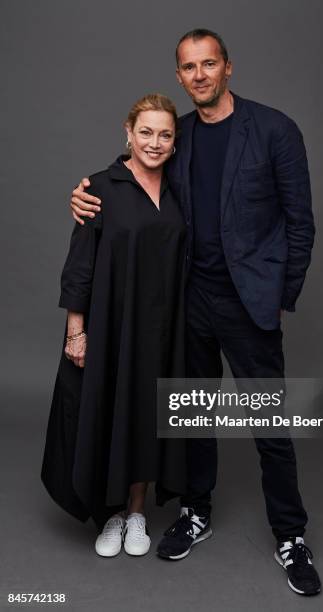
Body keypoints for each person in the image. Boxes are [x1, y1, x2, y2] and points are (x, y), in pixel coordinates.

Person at [69, 30, 322, 595]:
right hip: (188, 300)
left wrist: (281, 296)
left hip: (249, 302)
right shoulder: (176, 134)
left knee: (268, 423)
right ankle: (196, 510)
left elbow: (300, 222)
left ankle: (290, 534)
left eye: (210, 63)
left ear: (228, 67)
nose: (200, 74)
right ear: (180, 76)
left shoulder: (274, 129)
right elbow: (140, 164)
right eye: (189, 67)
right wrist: (89, 190)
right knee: (194, 415)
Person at [41, 93, 188, 558]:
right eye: (146, 131)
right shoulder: (100, 188)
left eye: (165, 134)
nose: (154, 142)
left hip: (164, 331)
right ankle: (110, 515)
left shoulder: (179, 189)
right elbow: (80, 265)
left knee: (148, 416)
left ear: (174, 141)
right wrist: (76, 332)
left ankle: (139, 510)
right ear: (128, 132)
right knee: (107, 412)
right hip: (111, 326)